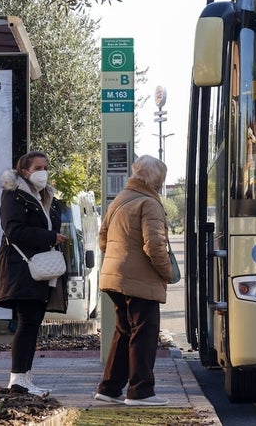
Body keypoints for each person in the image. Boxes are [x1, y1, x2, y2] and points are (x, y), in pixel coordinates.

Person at [94, 155, 173, 406]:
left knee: (124, 331)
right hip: (140, 280)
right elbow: (156, 247)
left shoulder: (120, 199)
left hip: (115, 277)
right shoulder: (149, 203)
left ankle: (109, 388)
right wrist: (168, 274)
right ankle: (141, 392)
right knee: (144, 333)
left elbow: (103, 238)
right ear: (157, 180)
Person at [0, 151, 67, 397]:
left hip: (36, 269)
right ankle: (17, 380)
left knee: (33, 323)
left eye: (46, 167)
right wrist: (50, 237)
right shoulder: (14, 195)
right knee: (26, 323)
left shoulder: (43, 196)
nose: (43, 172)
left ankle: (25, 378)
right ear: (24, 171)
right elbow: (14, 230)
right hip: (21, 268)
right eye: (38, 167)